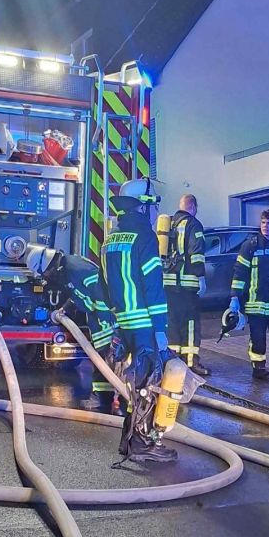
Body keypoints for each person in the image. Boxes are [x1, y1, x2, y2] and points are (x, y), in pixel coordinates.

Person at [100, 176, 176, 463]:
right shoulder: (145, 237)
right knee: (149, 386)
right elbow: (153, 287)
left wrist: (119, 320)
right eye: (153, 206)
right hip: (145, 324)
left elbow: (106, 285)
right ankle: (143, 444)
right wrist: (160, 329)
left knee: (136, 385)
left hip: (125, 322)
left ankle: (128, 441)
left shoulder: (111, 238)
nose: (157, 213)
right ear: (142, 207)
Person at [24, 243, 117, 410]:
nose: (45, 277)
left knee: (106, 362)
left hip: (105, 322)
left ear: (47, 266)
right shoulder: (69, 269)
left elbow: (101, 294)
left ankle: (106, 400)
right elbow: (78, 295)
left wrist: (104, 320)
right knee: (102, 360)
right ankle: (106, 398)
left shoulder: (76, 269)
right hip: (99, 321)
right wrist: (62, 310)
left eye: (43, 273)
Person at [228, 209, 269, 381]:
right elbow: (239, 272)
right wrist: (235, 297)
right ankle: (259, 369)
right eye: (263, 223)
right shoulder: (251, 245)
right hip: (255, 304)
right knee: (258, 340)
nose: (265, 226)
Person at [162, 193, 208, 374]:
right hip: (186, 283)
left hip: (168, 283)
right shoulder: (193, 224)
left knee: (173, 322)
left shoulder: (170, 224)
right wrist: (201, 277)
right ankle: (191, 362)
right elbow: (196, 253)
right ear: (194, 207)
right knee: (190, 324)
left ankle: (173, 360)